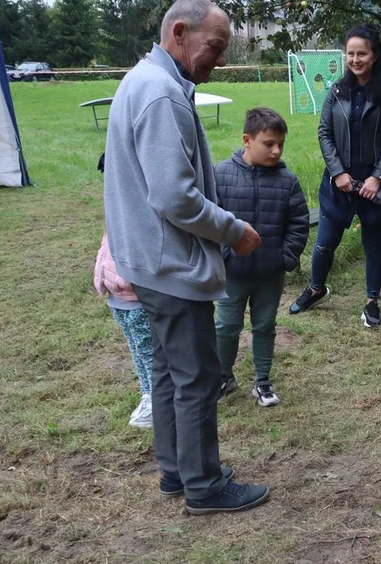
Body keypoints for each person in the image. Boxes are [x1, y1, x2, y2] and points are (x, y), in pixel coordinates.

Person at [103, 0, 269, 514]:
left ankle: (178, 470)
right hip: (170, 265)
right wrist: (233, 229)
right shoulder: (161, 94)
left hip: (147, 262)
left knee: (169, 371)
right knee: (197, 376)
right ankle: (204, 486)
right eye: (215, 47)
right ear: (180, 32)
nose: (218, 61)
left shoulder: (145, 81)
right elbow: (174, 197)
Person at [290, 24, 381, 328]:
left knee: (373, 244)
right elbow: (324, 132)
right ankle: (316, 288)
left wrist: (377, 177)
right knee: (325, 243)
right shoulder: (336, 91)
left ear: (374, 56)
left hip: (373, 187)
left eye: (362, 54)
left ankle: (372, 302)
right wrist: (338, 172)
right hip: (338, 185)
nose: (355, 59)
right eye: (350, 53)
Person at [215, 107, 309, 407]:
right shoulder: (220, 175)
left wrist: (286, 257)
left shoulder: (287, 181)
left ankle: (263, 381)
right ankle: (223, 376)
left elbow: (298, 222)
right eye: (268, 144)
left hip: (270, 273)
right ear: (247, 139)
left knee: (265, 326)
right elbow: (210, 220)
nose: (276, 150)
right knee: (226, 326)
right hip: (232, 273)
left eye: (281, 143)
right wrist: (224, 255)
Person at [94, 232, 154, 429]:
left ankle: (158, 399)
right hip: (117, 301)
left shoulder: (131, 228)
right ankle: (147, 392)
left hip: (137, 302)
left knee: (147, 351)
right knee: (136, 350)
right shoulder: (110, 229)